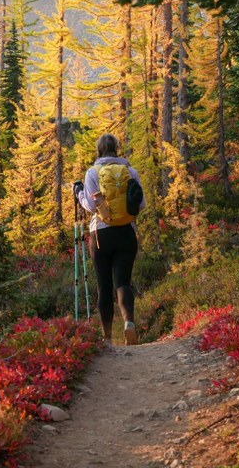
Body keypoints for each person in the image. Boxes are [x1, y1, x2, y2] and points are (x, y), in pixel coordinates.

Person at [73, 133, 145, 346]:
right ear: (117, 149)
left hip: (100, 235)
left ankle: (107, 337)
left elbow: (91, 206)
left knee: (104, 286)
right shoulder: (130, 172)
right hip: (126, 232)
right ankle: (129, 324)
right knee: (123, 282)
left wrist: (78, 194)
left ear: (99, 150)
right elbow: (141, 205)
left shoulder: (92, 172)